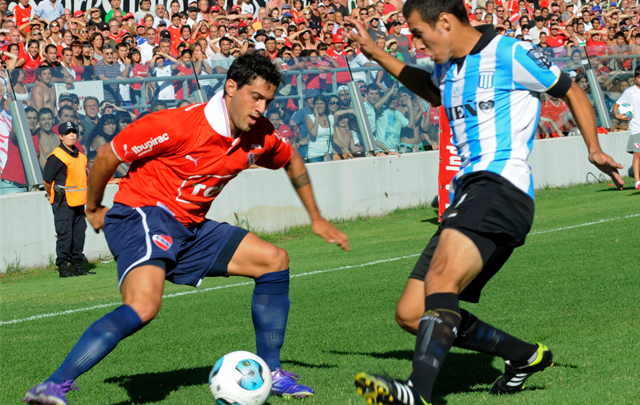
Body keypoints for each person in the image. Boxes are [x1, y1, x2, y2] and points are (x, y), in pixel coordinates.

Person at [23, 52, 349, 405]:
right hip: (142, 215)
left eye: (267, 101)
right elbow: (107, 157)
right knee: (144, 306)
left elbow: (291, 159)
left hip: (190, 228)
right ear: (230, 87)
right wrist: (93, 207)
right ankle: (53, 385)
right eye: (255, 97)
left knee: (274, 260)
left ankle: (271, 373)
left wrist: (315, 217)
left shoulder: (259, 135)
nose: (261, 108)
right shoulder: (178, 125)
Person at [344, 1, 624, 404]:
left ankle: (418, 393)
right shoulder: (448, 67)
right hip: (470, 192)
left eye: (419, 35)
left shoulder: (508, 53)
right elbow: (431, 90)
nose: (418, 45)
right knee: (411, 313)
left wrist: (594, 148)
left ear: (444, 22)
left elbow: (571, 89)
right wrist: (377, 54)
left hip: (501, 186)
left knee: (441, 285)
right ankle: (523, 355)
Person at [42, 122, 93, 278]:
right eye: (68, 133)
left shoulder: (81, 156)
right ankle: (63, 267)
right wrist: (52, 194)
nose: (72, 135)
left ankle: (78, 265)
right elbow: (46, 180)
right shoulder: (57, 156)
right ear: (61, 136)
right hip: (63, 201)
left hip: (79, 201)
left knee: (79, 235)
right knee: (65, 235)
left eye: (73, 132)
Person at [613, 66, 640, 189]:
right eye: (639, 77)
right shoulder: (630, 91)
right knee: (637, 155)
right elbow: (617, 104)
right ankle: (637, 182)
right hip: (636, 128)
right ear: (635, 78)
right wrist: (618, 115)